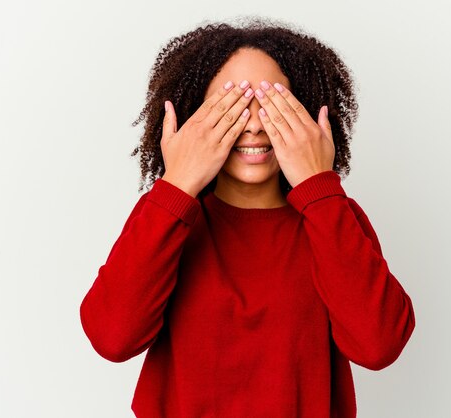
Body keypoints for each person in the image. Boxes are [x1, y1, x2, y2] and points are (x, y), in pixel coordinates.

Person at [80, 17, 416, 418]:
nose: (255, 124)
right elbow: (112, 338)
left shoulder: (334, 218)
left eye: (273, 106)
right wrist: (178, 183)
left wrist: (318, 185)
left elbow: (378, 346)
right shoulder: (167, 219)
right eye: (232, 106)